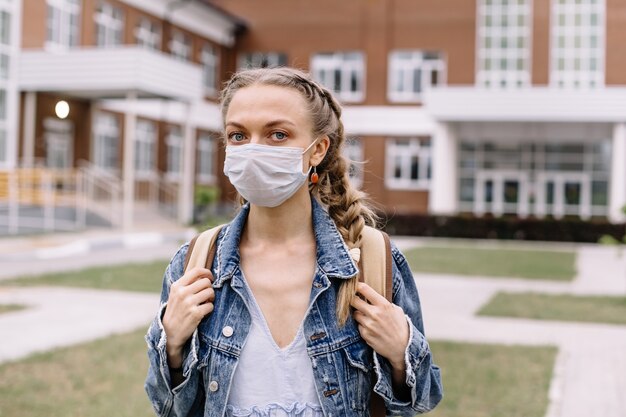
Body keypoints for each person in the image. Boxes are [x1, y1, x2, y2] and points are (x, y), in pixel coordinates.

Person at [144, 67, 443, 417]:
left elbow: (422, 400)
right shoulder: (195, 263)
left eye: (277, 135)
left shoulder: (373, 261)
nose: (253, 149)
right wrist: (172, 346)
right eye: (238, 136)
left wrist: (401, 352)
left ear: (317, 150)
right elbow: (168, 406)